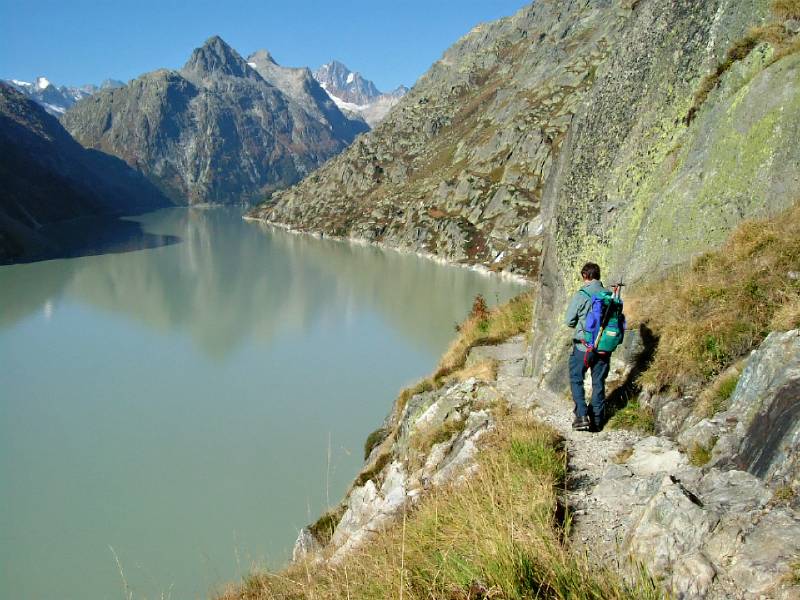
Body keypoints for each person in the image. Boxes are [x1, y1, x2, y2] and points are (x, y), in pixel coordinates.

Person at [564, 262, 611, 432]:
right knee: (598, 381)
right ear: (598, 275)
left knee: (576, 378)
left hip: (584, 348)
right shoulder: (609, 294)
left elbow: (569, 320)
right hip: (604, 347)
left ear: (586, 276)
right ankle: (598, 421)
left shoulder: (582, 294)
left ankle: (582, 416)